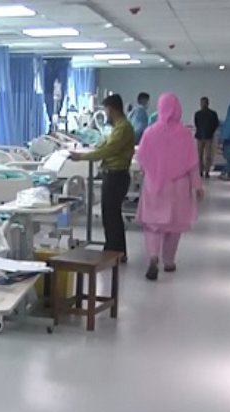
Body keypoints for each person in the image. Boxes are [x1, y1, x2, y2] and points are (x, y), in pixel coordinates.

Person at [135, 93, 204, 281]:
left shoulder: (149, 132)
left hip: (154, 184)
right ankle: (169, 261)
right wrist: (197, 187)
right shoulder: (185, 134)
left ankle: (153, 257)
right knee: (174, 226)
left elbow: (141, 160)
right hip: (178, 187)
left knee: (152, 225)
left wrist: (153, 170)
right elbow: (193, 164)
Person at [70, 94, 136, 261]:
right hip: (113, 175)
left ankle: (115, 252)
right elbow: (105, 145)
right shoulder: (119, 127)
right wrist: (91, 149)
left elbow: (108, 150)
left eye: (106, 110)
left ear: (111, 109)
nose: (105, 113)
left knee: (112, 216)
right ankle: (115, 251)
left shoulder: (123, 128)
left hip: (116, 176)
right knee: (110, 215)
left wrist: (82, 157)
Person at [194, 97, 220, 178]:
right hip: (200, 137)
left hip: (208, 137)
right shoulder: (197, 114)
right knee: (199, 155)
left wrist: (211, 131)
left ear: (207, 103)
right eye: (201, 103)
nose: (202, 104)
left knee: (208, 155)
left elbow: (216, 124)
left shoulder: (212, 114)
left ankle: (207, 171)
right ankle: (200, 171)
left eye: (203, 103)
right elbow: (196, 124)